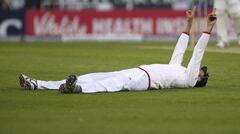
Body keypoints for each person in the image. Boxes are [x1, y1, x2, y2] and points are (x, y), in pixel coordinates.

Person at [19, 7, 217, 94]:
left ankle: (77, 90)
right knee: (92, 76)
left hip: (143, 81)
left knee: (110, 84)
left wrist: (208, 29)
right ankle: (38, 84)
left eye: (202, 72)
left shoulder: (190, 80)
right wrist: (189, 23)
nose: (201, 70)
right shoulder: (178, 69)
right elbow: (180, 50)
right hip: (137, 71)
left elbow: (197, 54)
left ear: (200, 78)